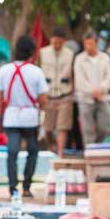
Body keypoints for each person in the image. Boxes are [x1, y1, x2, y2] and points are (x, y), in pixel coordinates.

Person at [0, 35, 49, 198]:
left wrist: (2, 114)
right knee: (32, 151)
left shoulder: (4, 70)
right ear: (32, 53)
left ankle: (12, 187)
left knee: (12, 152)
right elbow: (43, 99)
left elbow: (0, 97)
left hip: (11, 115)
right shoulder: (36, 72)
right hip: (30, 116)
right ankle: (27, 186)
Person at [38, 27, 75, 156]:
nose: (57, 42)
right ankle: (51, 148)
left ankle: (60, 154)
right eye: (55, 39)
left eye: (59, 40)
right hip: (48, 94)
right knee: (47, 127)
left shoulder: (70, 54)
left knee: (62, 127)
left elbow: (73, 73)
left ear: (64, 40)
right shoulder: (43, 53)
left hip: (65, 94)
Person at [73, 31, 110, 145]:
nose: (88, 47)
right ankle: (90, 152)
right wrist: (92, 91)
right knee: (87, 130)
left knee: (104, 126)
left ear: (96, 43)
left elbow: (109, 76)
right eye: (86, 44)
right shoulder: (79, 59)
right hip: (85, 98)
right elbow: (79, 80)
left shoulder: (105, 58)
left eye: (91, 44)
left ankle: (97, 146)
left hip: (102, 97)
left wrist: (101, 89)